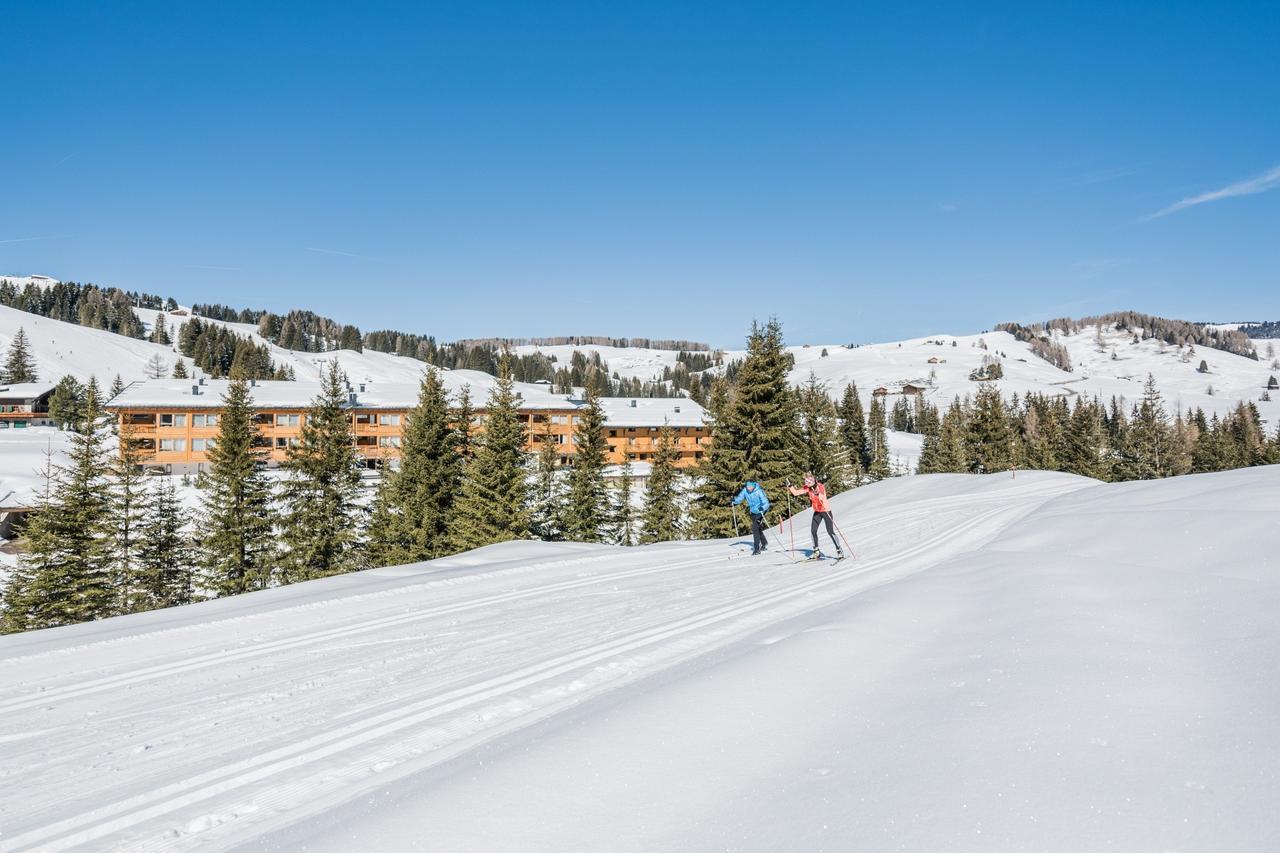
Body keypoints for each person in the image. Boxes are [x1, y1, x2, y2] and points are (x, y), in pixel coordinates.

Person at [787, 472, 844, 560]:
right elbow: (796, 493)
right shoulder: (808, 488)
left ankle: (839, 550)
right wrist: (790, 486)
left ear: (812, 482)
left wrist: (817, 493)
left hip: (826, 511)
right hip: (817, 512)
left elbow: (822, 496)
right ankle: (816, 552)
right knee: (813, 531)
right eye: (806, 483)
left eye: (807, 483)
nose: (806, 485)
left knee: (830, 532)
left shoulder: (820, 486)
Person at [732, 480, 771, 555]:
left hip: (761, 511)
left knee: (755, 528)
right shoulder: (745, 491)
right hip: (753, 511)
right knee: (757, 527)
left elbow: (766, 503)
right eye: (747, 486)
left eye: (750, 486)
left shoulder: (759, 491)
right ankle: (764, 542)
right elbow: (739, 499)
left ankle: (757, 549)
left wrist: (762, 508)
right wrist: (734, 501)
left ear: (754, 486)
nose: (749, 488)